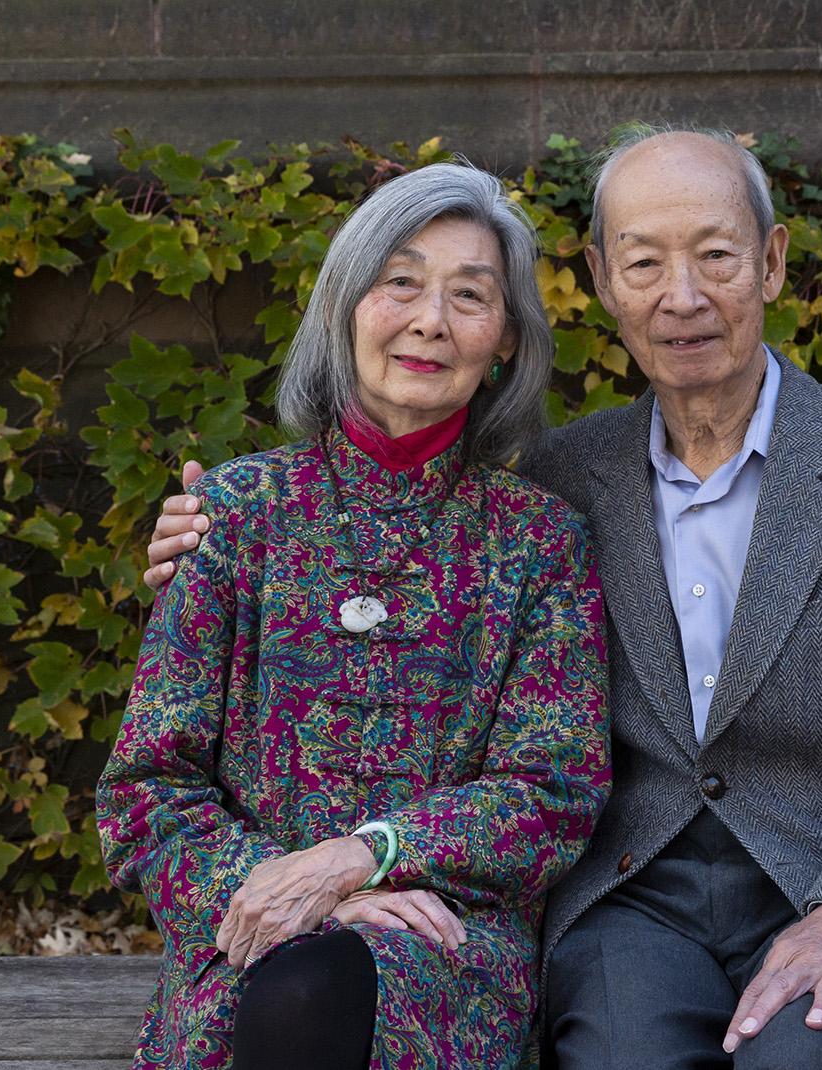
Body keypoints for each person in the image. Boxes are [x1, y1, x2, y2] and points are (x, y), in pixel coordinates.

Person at [145, 126, 822, 1070]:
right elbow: (193, 732)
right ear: (605, 281)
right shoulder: (569, 478)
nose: (681, 296)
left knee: (803, 1058)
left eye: (716, 257)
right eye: (644, 262)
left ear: (771, 264)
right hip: (635, 898)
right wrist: (187, 565)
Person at [97, 162, 611, 1070]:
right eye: (400, 281)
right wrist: (288, 891)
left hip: (443, 941)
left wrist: (365, 856)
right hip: (246, 923)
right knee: (291, 989)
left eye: (470, 295)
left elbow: (551, 789)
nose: (431, 320)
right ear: (344, 306)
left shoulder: (540, 541)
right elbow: (146, 790)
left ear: (504, 342)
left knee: (318, 995)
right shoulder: (239, 513)